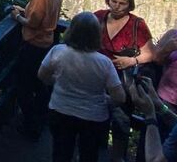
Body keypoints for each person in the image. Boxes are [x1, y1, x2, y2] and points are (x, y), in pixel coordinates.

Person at [38, 12, 126, 162]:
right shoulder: (104, 62)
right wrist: (106, 99)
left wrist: (59, 83)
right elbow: (120, 97)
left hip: (61, 109)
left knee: (60, 153)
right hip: (93, 117)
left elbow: (43, 75)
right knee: (89, 155)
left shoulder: (58, 51)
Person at [94, 0, 155, 162]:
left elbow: (151, 53)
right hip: (97, 76)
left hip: (122, 80)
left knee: (121, 120)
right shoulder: (98, 17)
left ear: (130, 5)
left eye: (122, 3)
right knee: (95, 118)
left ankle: (116, 158)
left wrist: (131, 61)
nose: (117, 6)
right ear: (108, 0)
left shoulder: (137, 25)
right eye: (114, 1)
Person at [11, 0, 62, 139]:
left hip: (33, 46)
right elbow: (43, 16)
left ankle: (31, 126)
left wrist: (17, 16)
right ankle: (39, 121)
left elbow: (33, 23)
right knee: (40, 87)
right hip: (47, 45)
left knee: (24, 87)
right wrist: (25, 10)